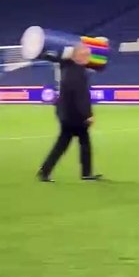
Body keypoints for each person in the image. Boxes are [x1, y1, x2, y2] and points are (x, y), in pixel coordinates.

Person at [37, 44, 101, 182]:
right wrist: (88, 114)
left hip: (65, 113)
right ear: (77, 56)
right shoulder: (78, 72)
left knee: (67, 143)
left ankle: (45, 171)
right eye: (86, 55)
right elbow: (81, 96)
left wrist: (42, 52)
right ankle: (85, 173)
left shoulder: (66, 65)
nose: (88, 58)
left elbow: (55, 57)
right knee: (79, 144)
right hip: (75, 116)